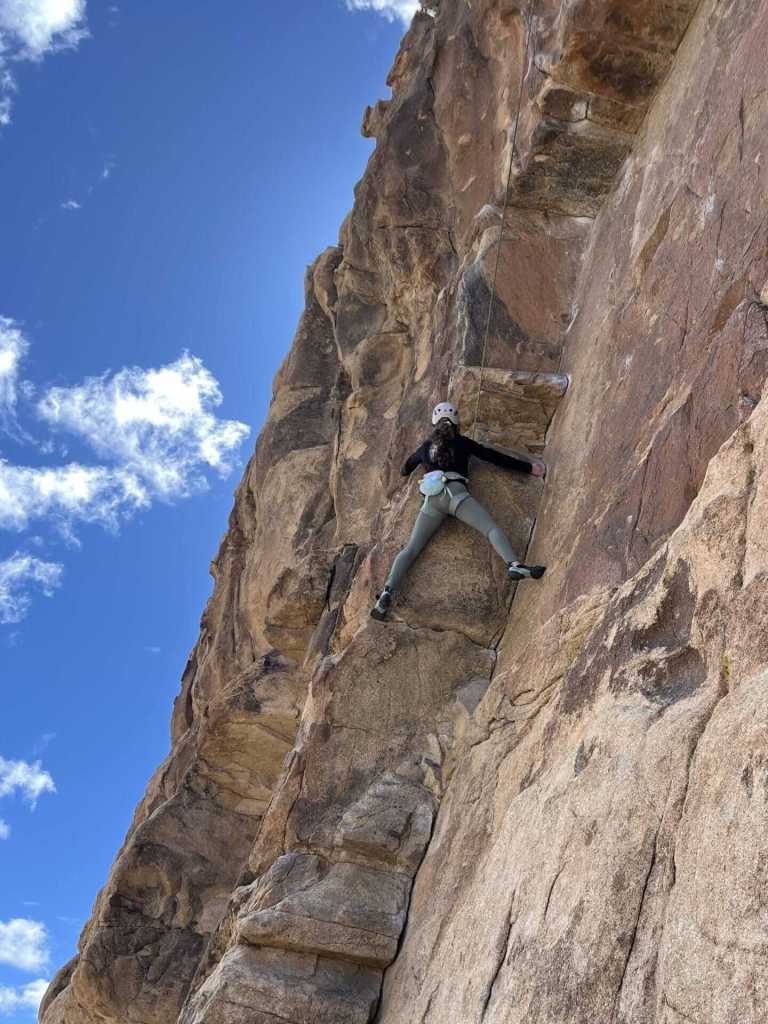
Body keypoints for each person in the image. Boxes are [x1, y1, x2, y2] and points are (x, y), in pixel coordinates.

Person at [371, 401, 546, 621]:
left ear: (434, 423)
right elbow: (494, 457)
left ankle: (387, 592)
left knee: (412, 548)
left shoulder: (425, 447)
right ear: (456, 422)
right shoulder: (463, 443)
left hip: (432, 500)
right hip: (457, 495)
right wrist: (529, 467)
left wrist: (421, 461)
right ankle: (515, 565)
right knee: (490, 529)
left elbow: (405, 469)